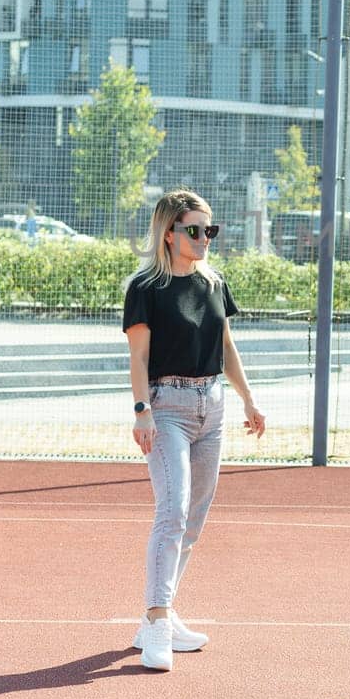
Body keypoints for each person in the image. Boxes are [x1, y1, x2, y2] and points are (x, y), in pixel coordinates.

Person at [123, 189, 266, 672]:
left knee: (195, 519)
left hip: (213, 406)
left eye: (211, 230)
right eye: (195, 230)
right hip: (167, 407)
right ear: (169, 233)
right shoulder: (146, 287)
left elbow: (227, 346)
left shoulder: (213, 282)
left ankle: (156, 614)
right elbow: (138, 357)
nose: (205, 238)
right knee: (173, 508)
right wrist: (142, 410)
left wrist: (248, 398)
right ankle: (158, 620)